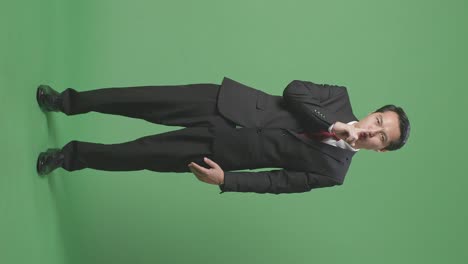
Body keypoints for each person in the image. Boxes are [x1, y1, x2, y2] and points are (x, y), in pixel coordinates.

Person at [36, 77, 410, 194]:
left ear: (381, 150)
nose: (372, 130)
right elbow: (294, 91)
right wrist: (333, 124)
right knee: (139, 99)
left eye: (381, 137)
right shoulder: (338, 98)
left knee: (139, 155)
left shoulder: (335, 173)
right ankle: (66, 102)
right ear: (373, 112)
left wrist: (225, 180)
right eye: (378, 120)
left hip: (223, 152)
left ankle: (69, 158)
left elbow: (279, 182)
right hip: (220, 103)